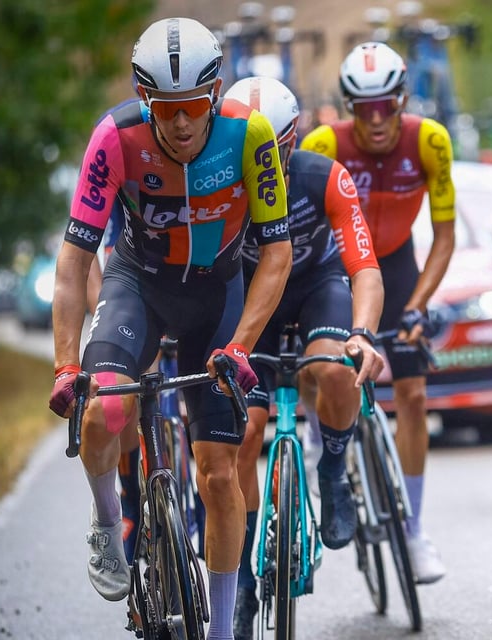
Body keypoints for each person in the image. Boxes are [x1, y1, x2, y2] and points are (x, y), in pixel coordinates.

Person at [47, 17, 291, 640]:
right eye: (165, 107)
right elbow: (74, 261)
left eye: (193, 107)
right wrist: (66, 364)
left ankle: (222, 629)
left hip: (217, 293)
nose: (181, 124)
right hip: (140, 285)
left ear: (214, 94)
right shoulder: (115, 137)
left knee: (220, 472)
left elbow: (277, 253)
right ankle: (109, 521)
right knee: (104, 410)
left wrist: (241, 347)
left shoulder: (250, 135)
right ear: (144, 97)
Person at [223, 76, 386, 638]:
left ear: (293, 143)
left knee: (334, 368)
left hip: (318, 285)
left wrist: (362, 334)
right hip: (253, 298)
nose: (258, 162)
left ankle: (333, 470)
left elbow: (364, 267)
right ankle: (242, 580)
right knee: (244, 434)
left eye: (272, 149)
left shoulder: (325, 177)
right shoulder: (215, 183)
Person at [300, 41, 456, 583]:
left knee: (412, 394)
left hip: (397, 265)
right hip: (337, 267)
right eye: (363, 108)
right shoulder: (324, 143)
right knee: (318, 365)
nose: (375, 120)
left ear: (402, 100)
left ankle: (413, 531)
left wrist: (416, 307)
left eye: (385, 105)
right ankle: (321, 438)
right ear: (349, 107)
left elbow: (444, 237)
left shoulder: (430, 140)